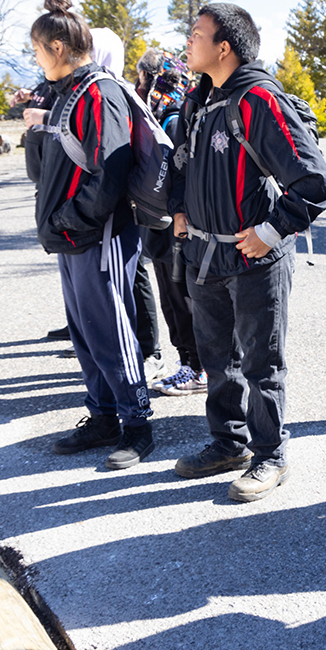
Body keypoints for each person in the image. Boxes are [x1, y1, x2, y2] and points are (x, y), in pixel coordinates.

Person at [169, 3, 326, 503]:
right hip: (205, 257)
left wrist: (272, 230)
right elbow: (183, 166)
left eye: (197, 34)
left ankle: (270, 455)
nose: (189, 42)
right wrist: (180, 209)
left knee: (262, 363)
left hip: (254, 260)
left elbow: (314, 183)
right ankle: (228, 443)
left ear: (224, 47)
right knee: (219, 360)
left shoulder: (258, 100)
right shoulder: (201, 100)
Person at [28, 0, 156, 471]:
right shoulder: (71, 93)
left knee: (110, 329)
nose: (36, 57)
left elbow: (111, 173)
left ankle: (137, 424)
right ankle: (103, 415)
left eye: (38, 49)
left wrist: (71, 221)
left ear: (57, 48)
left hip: (96, 233)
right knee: (84, 330)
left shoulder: (99, 93)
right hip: (73, 236)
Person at [134, 49, 206, 396]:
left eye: (142, 77)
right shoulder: (163, 114)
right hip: (162, 226)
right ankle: (189, 361)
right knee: (173, 297)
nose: (138, 83)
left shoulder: (174, 118)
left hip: (173, 228)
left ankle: (197, 366)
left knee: (182, 298)